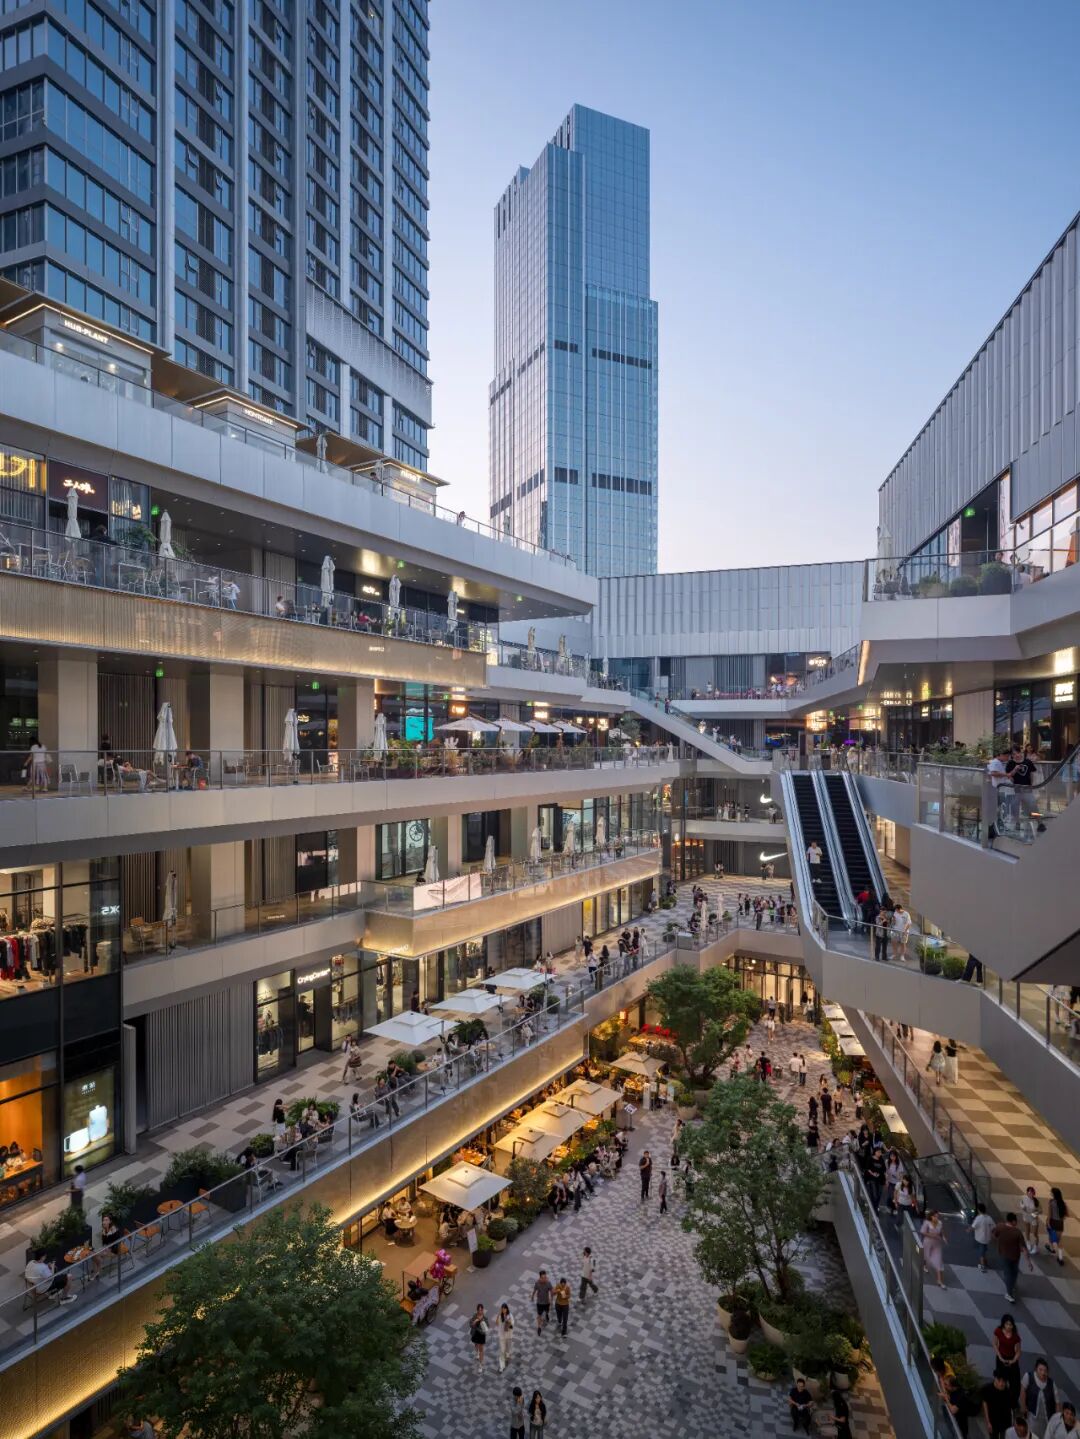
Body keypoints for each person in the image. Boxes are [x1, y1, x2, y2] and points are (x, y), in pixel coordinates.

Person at [1020, 1358, 1058, 1437]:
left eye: (1045, 1371)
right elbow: (1023, 1391)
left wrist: (1057, 1419)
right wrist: (1023, 1406)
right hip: (1032, 1415)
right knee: (1031, 1434)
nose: (1043, 1373)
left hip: (1046, 1417)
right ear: (1036, 1369)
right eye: (1040, 1370)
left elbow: (1057, 1402)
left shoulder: (1051, 1383)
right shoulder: (1028, 1376)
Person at [993, 1313, 1023, 1408]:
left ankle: (1012, 1403)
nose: (1008, 1327)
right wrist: (1000, 1357)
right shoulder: (998, 1331)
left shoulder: (1015, 1337)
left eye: (1010, 1325)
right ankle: (1000, 1399)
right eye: (1007, 1324)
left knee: (1015, 1383)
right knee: (1001, 1380)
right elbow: (995, 1344)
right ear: (1003, 1324)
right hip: (1001, 1358)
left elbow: (1018, 1351)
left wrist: (1013, 1361)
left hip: (1012, 1360)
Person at [983, 1371, 1017, 1439]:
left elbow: (1013, 1408)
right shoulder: (988, 1389)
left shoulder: (1008, 1391)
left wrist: (1014, 1423)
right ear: (995, 1379)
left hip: (1006, 1422)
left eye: (1003, 1381)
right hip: (993, 1421)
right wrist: (988, 1421)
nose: (1001, 1384)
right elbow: (985, 1404)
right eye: (999, 1380)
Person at [920, 1209, 947, 1287]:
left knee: (939, 1261)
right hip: (928, 1243)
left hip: (937, 1244)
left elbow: (941, 1231)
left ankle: (939, 1281)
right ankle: (925, 1265)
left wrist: (944, 1237)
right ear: (931, 1216)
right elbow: (922, 1232)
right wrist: (931, 1235)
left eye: (937, 1216)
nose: (936, 1218)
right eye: (935, 1216)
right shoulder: (927, 1222)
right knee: (926, 1256)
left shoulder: (940, 1223)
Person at [1046, 1187, 1067, 1266]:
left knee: (1051, 1236)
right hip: (1060, 1223)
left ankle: (1052, 1248)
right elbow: (1066, 1214)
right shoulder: (1063, 1203)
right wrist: (1061, 1217)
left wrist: (1048, 1223)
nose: (1050, 1193)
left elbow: (1049, 1214)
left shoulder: (1051, 1202)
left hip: (1053, 1222)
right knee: (1059, 1240)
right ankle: (1060, 1258)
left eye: (1051, 1192)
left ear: (1054, 1194)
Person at [971, 1201, 995, 1271]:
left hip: (980, 1238)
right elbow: (993, 1227)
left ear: (979, 1210)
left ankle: (983, 1266)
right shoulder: (989, 1218)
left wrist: (968, 1229)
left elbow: (973, 1226)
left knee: (981, 1253)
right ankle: (985, 1262)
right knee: (984, 1250)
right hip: (987, 1238)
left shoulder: (979, 1218)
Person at [1021, 1185, 1041, 1254]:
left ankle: (1036, 1247)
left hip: (1033, 1219)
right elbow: (1021, 1204)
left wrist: (1034, 1215)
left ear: (1034, 1193)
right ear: (1027, 1193)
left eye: (1031, 1193)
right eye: (1029, 1193)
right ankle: (1028, 1242)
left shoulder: (1036, 1201)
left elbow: (1040, 1210)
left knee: (1035, 1233)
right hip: (1026, 1217)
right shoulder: (1023, 1198)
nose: (1030, 1194)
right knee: (1027, 1230)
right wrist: (1022, 1207)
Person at [532, 1268, 553, 1334]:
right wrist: (532, 1296)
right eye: (543, 1278)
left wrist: (551, 1299)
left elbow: (551, 1291)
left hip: (546, 1302)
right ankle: (539, 1327)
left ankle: (546, 1314)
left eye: (545, 1277)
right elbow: (535, 1290)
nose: (544, 1279)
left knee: (547, 1311)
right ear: (540, 1277)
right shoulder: (537, 1283)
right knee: (539, 1315)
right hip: (539, 1302)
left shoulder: (548, 1283)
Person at [495, 1302, 514, 1373]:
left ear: (507, 1309)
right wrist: (498, 1315)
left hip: (509, 1336)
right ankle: (501, 1366)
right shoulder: (500, 1316)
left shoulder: (510, 1316)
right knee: (502, 1351)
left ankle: (508, 1353)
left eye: (504, 1309)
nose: (503, 1310)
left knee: (507, 1349)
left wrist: (509, 1322)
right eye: (502, 1309)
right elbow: (496, 1323)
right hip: (502, 1336)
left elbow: (512, 1326)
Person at [468, 1303, 488, 1369]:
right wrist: (474, 1322)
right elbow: (470, 1324)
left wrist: (482, 1322)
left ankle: (480, 1365)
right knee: (476, 1344)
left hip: (481, 1335)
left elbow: (487, 1326)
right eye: (479, 1310)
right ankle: (477, 1353)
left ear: (483, 1310)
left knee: (481, 1350)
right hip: (475, 1333)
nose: (480, 1312)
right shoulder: (474, 1316)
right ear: (477, 1310)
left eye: (481, 1310)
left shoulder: (484, 1318)